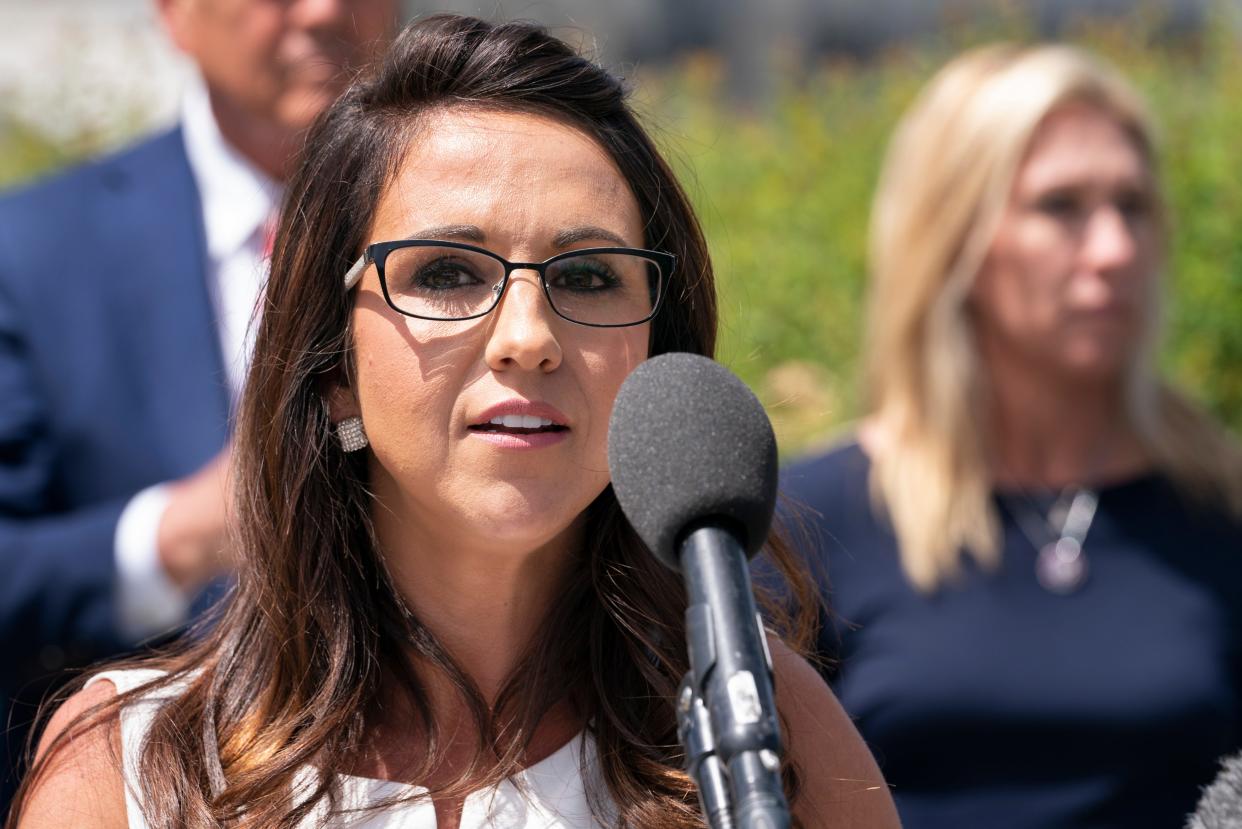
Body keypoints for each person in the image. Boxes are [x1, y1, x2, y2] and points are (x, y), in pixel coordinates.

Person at [7, 15, 900, 829]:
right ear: (333, 372)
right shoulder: (132, 773)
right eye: (444, 272)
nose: (529, 338)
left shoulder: (763, 734)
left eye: (589, 277)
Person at [782, 43, 1242, 828]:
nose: (1113, 250)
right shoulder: (806, 520)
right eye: (1060, 207)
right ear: (953, 234)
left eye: (1132, 206)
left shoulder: (1221, 505)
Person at [0, 0, 397, 806]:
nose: (323, 10)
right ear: (174, 14)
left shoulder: (495, 231)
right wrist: (177, 535)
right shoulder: (34, 252)